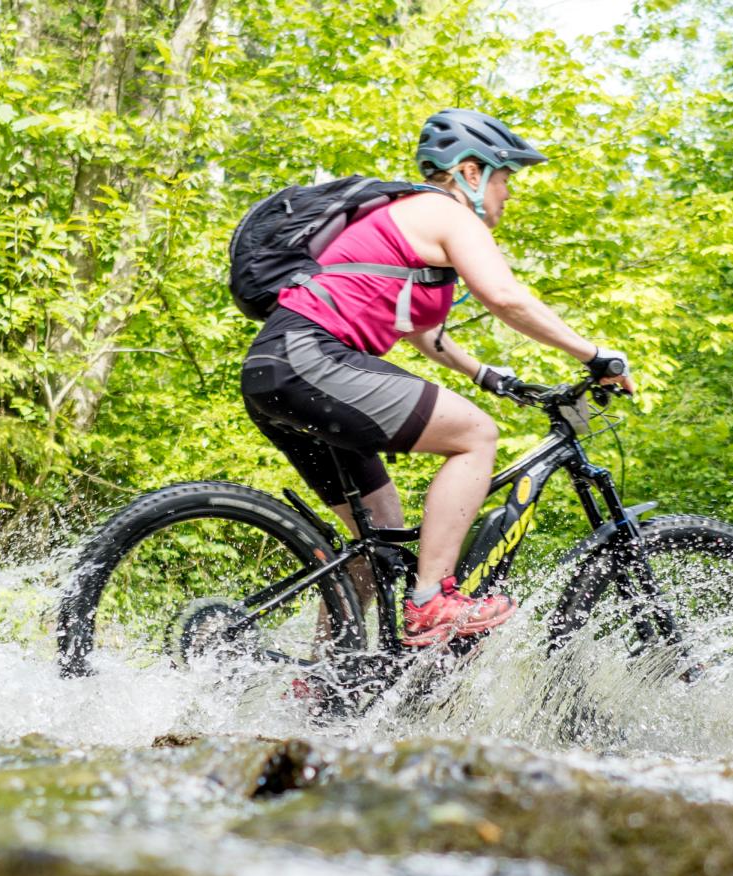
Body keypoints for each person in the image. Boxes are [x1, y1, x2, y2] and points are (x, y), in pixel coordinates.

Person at [238, 108, 634, 646]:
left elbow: (422, 332)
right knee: (476, 435)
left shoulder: (410, 223)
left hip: (278, 370)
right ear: (471, 172)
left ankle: (323, 679)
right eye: (505, 177)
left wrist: (489, 376)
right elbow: (505, 297)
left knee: (377, 540)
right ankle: (432, 600)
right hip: (311, 359)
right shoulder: (445, 213)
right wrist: (595, 356)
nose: (508, 193)